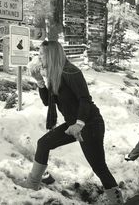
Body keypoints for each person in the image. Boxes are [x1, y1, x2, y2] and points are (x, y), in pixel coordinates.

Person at [24, 40, 123, 205]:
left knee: (99, 167)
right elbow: (48, 102)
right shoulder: (54, 74)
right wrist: (39, 81)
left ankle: (118, 201)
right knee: (43, 143)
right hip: (73, 125)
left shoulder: (71, 72)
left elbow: (85, 99)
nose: (38, 57)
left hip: (89, 124)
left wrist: (79, 123)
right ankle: (31, 185)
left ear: (51, 55)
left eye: (41, 54)